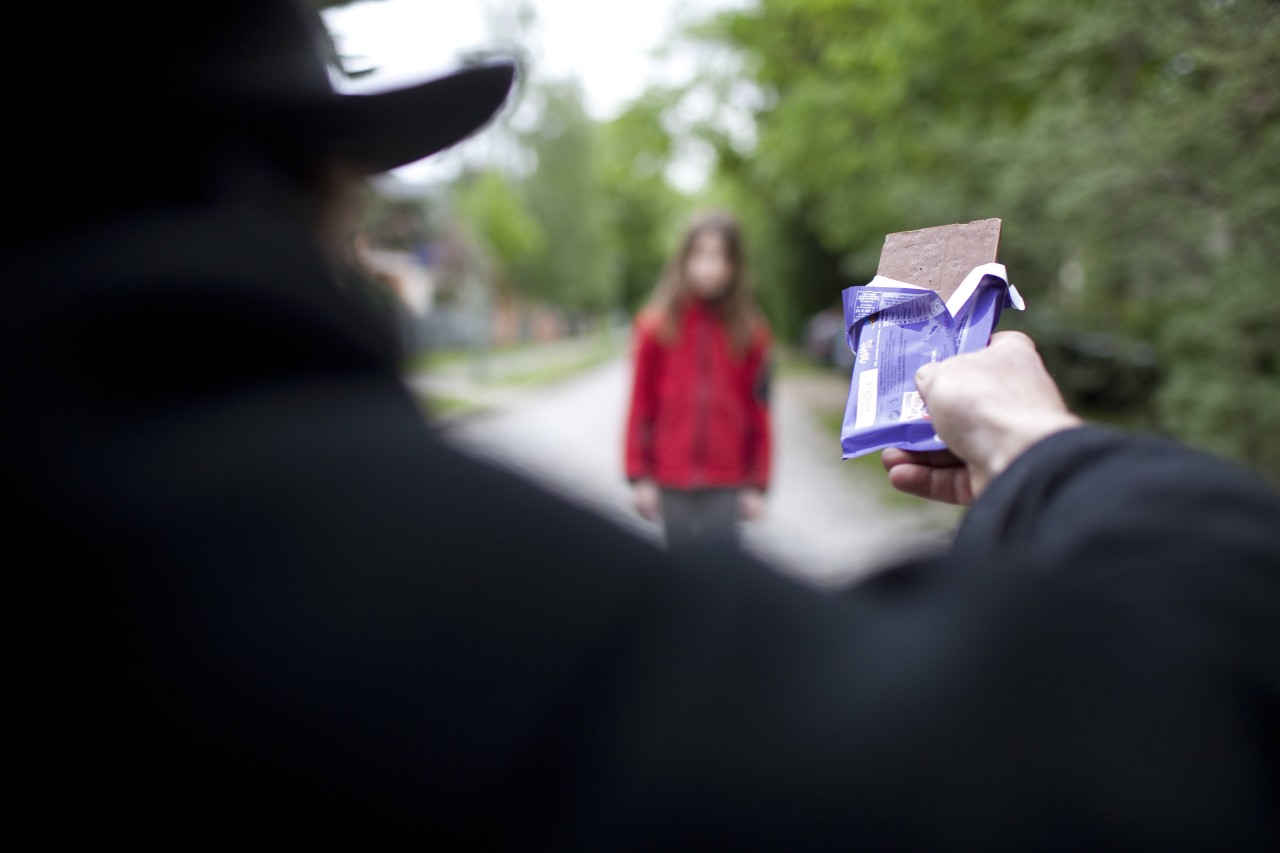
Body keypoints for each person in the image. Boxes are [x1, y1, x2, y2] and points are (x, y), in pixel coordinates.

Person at [5, 1, 1279, 848]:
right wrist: (1040, 451)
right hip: (674, 479)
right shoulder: (349, 563)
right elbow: (1165, 717)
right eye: (357, 170)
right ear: (291, 173)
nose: (363, 217)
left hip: (728, 477)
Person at [624, 211, 773, 551]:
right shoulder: (654, 328)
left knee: (719, 571)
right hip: (670, 476)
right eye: (700, 254)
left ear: (734, 265)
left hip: (727, 478)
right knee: (678, 570)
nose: (708, 266)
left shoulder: (752, 334)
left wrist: (757, 483)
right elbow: (639, 405)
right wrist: (639, 475)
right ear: (684, 259)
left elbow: (760, 410)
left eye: (719, 256)